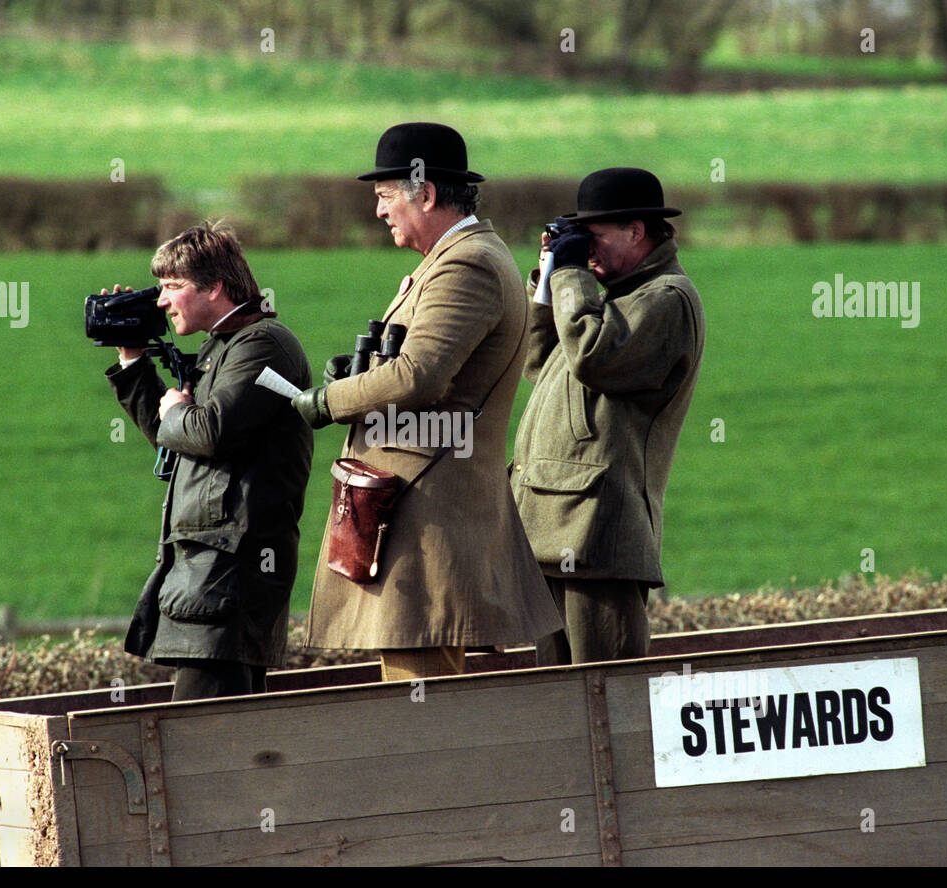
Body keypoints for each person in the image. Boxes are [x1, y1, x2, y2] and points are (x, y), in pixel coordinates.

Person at [292, 122, 561, 682]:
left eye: (386, 196)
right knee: (421, 690)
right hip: (417, 506)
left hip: (428, 515)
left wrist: (329, 400)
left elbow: (419, 375)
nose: (379, 211)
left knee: (423, 704)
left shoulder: (466, 264)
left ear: (427, 194)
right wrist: (364, 375)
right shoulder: (455, 259)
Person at [104, 223, 313, 699]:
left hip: (231, 577)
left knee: (203, 745)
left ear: (215, 287)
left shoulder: (264, 346)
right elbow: (174, 435)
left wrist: (179, 409)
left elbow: (209, 431)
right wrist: (134, 358)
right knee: (223, 741)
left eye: (173, 287)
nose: (161, 301)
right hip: (208, 576)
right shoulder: (225, 347)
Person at [511, 167, 705, 665]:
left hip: (600, 536)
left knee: (606, 698)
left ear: (636, 231)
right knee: (557, 707)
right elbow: (540, 362)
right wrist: (552, 271)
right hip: (553, 526)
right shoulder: (612, 295)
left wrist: (573, 273)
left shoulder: (666, 300)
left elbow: (593, 355)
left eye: (594, 237)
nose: (587, 250)